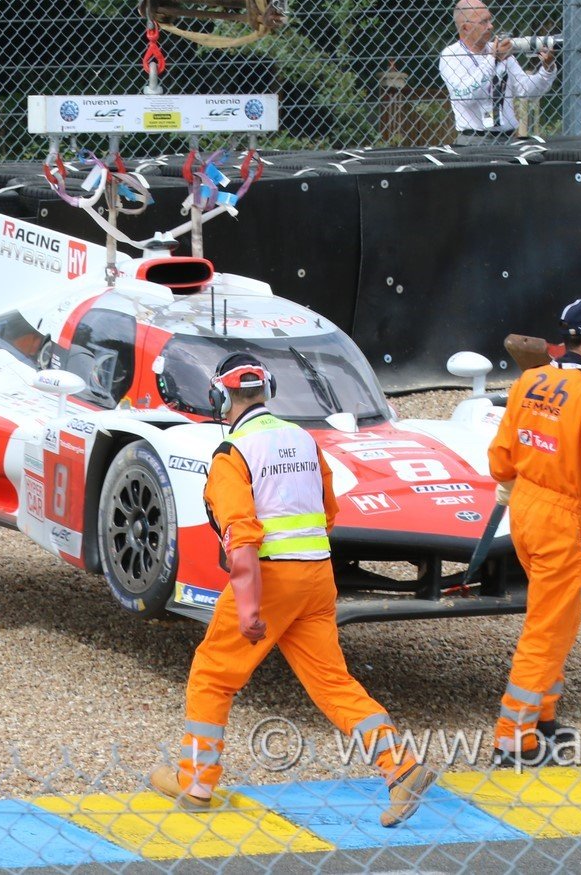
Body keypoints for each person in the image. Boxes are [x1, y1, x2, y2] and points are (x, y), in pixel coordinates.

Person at [151, 354, 434, 827]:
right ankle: (400, 767)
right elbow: (328, 512)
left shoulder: (232, 454)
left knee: (213, 674)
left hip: (270, 580)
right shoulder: (303, 440)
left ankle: (196, 783)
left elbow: (241, 537)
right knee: (333, 683)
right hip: (317, 576)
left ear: (220, 397)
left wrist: (249, 607)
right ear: (268, 391)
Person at [486, 299, 581, 767]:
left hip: (526, 512)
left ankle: (543, 719)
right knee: (546, 630)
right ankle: (514, 740)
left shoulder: (531, 380)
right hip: (561, 520)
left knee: (561, 618)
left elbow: (500, 460)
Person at [438, 0, 557, 146]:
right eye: (483, 22)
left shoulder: (500, 50)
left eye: (490, 20)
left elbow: (527, 90)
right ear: (465, 28)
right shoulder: (451, 55)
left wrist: (547, 69)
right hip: (474, 140)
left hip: (508, 138)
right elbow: (465, 97)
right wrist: (493, 60)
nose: (491, 26)